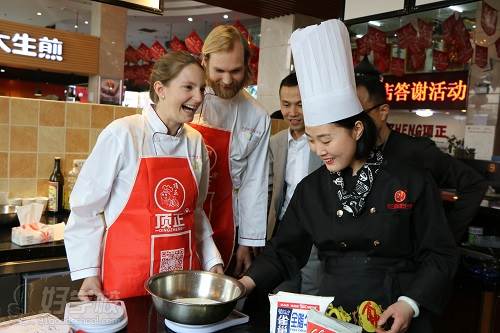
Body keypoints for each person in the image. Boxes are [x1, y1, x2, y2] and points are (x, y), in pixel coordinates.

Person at [240, 19, 458, 333]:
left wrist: (410, 302)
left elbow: (440, 254)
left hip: (395, 309)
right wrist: (243, 285)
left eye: (326, 140)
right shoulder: (312, 189)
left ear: (357, 130)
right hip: (334, 313)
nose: (318, 150)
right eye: (312, 140)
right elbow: (284, 250)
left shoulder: (409, 181)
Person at [65, 51, 223, 301]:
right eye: (188, 87)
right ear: (160, 89)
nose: (198, 97)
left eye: (202, 89)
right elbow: (86, 208)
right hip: (127, 280)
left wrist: (212, 260)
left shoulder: (195, 141)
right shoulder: (123, 133)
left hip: (180, 282)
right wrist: (89, 273)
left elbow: (196, 211)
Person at [355, 75, 487, 242]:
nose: (355, 123)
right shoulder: (352, 154)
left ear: (383, 112)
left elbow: (474, 185)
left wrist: (445, 239)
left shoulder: (416, 151)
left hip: (410, 261)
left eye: (361, 114)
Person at [190, 25, 270, 277]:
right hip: (182, 218)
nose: (227, 80)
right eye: (219, 71)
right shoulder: (187, 100)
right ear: (204, 62)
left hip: (227, 222)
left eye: (235, 71)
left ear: (247, 64)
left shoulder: (256, 116)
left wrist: (248, 240)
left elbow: (254, 182)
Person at [267, 72, 322, 294]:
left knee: (313, 292)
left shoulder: (324, 142)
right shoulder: (275, 142)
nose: (292, 112)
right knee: (281, 294)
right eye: (286, 104)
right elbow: (270, 191)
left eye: (300, 105)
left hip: (316, 232)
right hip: (283, 230)